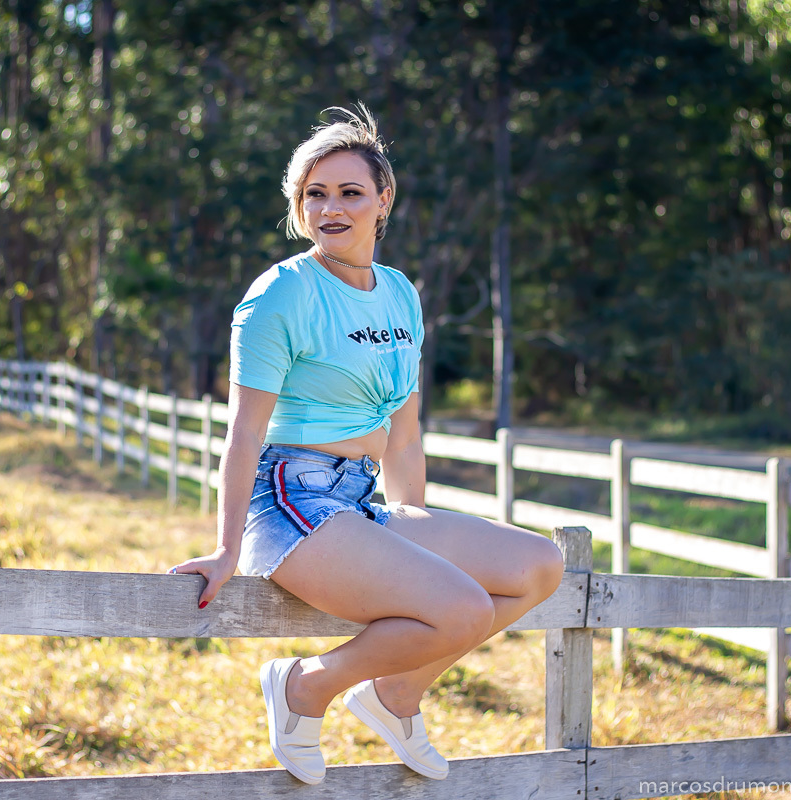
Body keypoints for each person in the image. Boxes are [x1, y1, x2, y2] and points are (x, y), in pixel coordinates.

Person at [167, 105, 564, 785]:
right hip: (287, 500)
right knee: (463, 607)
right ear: (298, 206)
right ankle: (304, 686)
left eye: (349, 192)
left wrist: (415, 525)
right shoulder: (280, 295)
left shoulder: (400, 294)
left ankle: (395, 693)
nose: (330, 209)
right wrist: (227, 547)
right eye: (313, 194)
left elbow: (403, 436)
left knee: (538, 566)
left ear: (383, 200)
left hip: (358, 499)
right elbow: (244, 432)